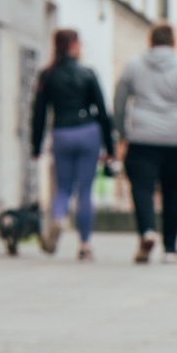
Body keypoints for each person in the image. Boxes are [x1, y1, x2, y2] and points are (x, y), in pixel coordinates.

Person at [114, 23, 177, 264]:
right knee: (173, 192)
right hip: (175, 140)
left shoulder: (133, 67)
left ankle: (147, 231)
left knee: (142, 189)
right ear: (173, 42)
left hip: (141, 138)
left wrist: (121, 131)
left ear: (150, 41)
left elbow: (119, 100)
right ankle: (170, 249)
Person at [29, 28, 113, 260]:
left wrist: (36, 146)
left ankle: (58, 217)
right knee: (85, 191)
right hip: (88, 132)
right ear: (74, 46)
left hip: (62, 132)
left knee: (63, 187)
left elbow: (39, 114)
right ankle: (85, 244)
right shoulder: (88, 73)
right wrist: (110, 148)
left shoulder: (47, 75)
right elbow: (103, 112)